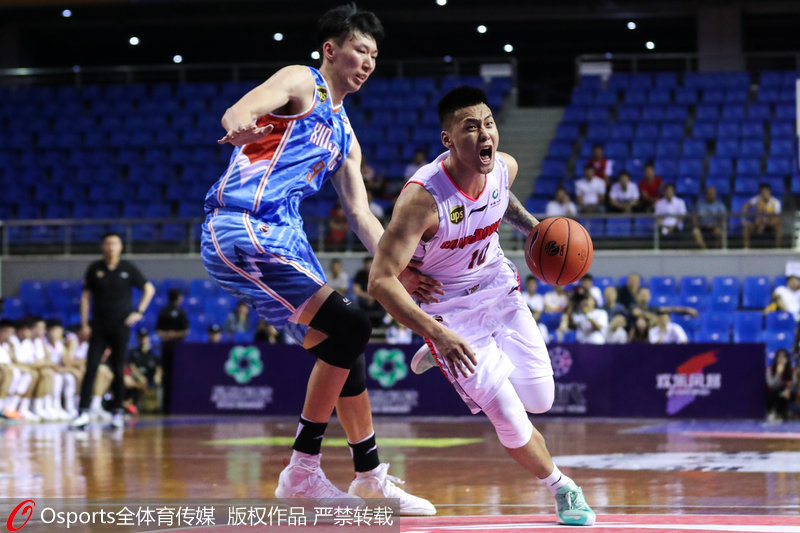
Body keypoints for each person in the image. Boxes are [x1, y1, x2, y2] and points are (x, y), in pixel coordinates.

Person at [200, 4, 436, 513]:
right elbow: (242, 108)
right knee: (352, 326)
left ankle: (369, 477)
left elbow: (361, 215)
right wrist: (240, 124)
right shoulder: (302, 81)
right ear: (331, 49)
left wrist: (400, 268)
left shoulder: (346, 137)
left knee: (345, 345)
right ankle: (302, 471)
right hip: (242, 225)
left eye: (375, 55)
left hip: (286, 239)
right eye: (360, 50)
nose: (368, 61)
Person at [368, 86, 596, 526]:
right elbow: (379, 280)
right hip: (449, 312)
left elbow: (501, 196)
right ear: (448, 139)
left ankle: (439, 352)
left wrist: (536, 231)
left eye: (488, 123)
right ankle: (563, 488)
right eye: (470, 127)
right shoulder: (422, 200)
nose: (484, 133)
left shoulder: (503, 167)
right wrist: (437, 332)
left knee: (541, 399)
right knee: (509, 416)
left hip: (497, 289)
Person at [70, 233, 155, 430]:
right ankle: (83, 412)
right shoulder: (95, 268)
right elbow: (85, 297)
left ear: (121, 247)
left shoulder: (127, 268)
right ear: (103, 246)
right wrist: (84, 324)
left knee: (118, 368)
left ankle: (117, 412)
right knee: (91, 368)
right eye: (108, 243)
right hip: (98, 326)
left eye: (115, 243)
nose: (111, 247)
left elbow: (149, 289)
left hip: (120, 326)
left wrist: (139, 312)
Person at [156, 288, 189, 414]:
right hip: (174, 347)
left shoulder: (165, 311)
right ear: (178, 298)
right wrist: (172, 335)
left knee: (171, 374)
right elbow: (185, 331)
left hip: (172, 347)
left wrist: (169, 335)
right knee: (169, 375)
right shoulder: (175, 312)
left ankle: (170, 405)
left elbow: (159, 331)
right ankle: (168, 406)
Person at [742, 183, 782, 248]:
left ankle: (778, 248)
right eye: (762, 192)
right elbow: (745, 206)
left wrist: (768, 222)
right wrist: (743, 219)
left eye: (766, 191)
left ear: (769, 191)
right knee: (746, 228)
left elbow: (777, 218)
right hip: (759, 223)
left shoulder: (776, 202)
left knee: (778, 227)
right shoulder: (757, 199)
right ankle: (746, 248)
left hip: (770, 224)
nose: (764, 194)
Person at [352, 256, 386, 328]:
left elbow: (382, 290)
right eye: (367, 264)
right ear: (364, 265)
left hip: (376, 298)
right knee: (353, 298)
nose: (369, 266)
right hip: (363, 298)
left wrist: (372, 297)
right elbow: (356, 290)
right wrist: (367, 296)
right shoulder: (359, 274)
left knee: (387, 299)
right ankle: (356, 321)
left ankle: (384, 322)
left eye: (371, 264)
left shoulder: (379, 274)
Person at [692, 185, 726, 249]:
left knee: (718, 232)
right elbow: (694, 218)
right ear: (706, 194)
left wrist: (715, 225)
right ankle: (705, 250)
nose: (711, 195)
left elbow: (723, 219)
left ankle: (716, 250)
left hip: (714, 227)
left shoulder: (720, 205)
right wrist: (698, 224)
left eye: (713, 194)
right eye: (710, 194)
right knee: (695, 232)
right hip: (702, 227)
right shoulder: (700, 205)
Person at [766, 348, 795, 422]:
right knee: (775, 393)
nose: (781, 359)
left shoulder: (791, 370)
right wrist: (779, 373)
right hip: (774, 393)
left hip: (787, 393)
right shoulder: (769, 370)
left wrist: (788, 390)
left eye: (783, 357)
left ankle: (784, 413)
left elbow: (793, 384)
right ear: (776, 359)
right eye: (779, 357)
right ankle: (775, 413)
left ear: (787, 359)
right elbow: (771, 384)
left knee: (788, 394)